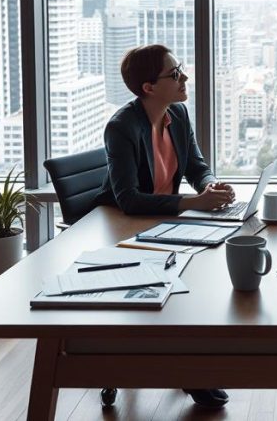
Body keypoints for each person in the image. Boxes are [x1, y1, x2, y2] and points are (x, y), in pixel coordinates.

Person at [94, 44, 234, 410]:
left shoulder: (179, 114)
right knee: (177, 292)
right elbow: (128, 199)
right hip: (125, 230)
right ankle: (188, 373)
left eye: (180, 69)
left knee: (200, 281)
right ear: (148, 88)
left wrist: (209, 185)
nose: (183, 77)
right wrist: (193, 204)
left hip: (164, 224)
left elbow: (196, 165)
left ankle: (190, 367)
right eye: (174, 74)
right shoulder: (122, 127)